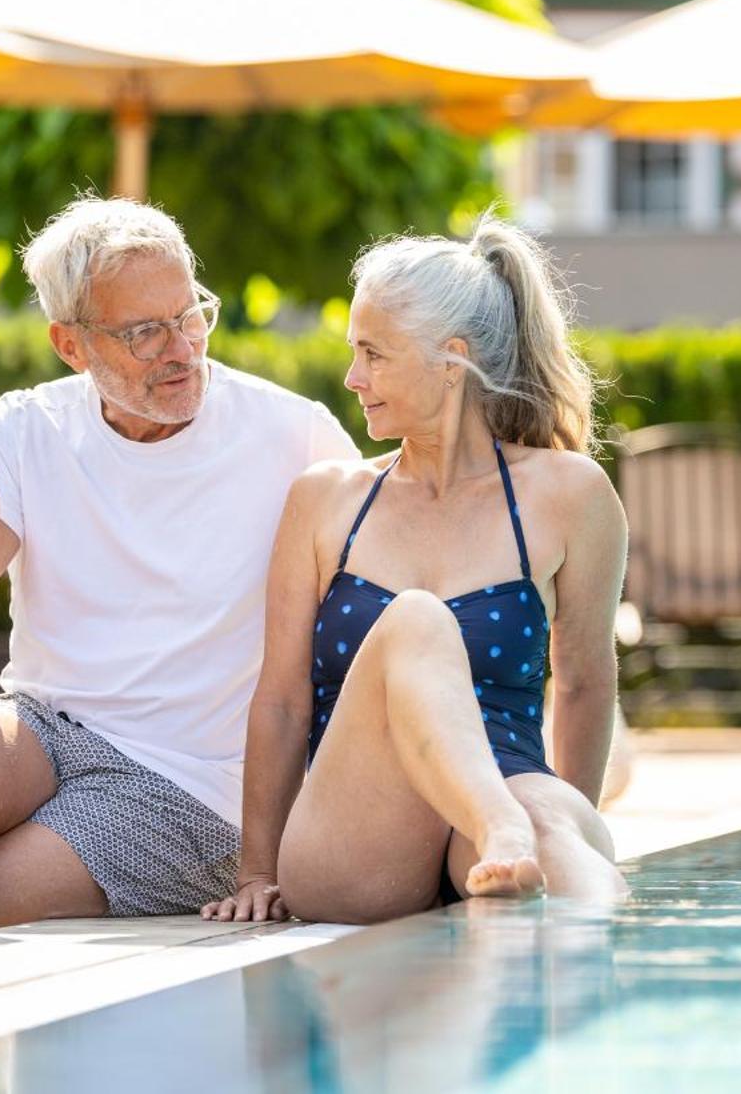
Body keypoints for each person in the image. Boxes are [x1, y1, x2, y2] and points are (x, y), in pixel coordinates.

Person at [0, 197, 358, 948]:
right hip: (44, 726)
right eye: (143, 332)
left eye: (191, 313)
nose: (181, 347)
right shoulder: (29, 427)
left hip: (191, 785)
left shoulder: (293, 434)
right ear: (71, 345)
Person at [205, 220, 629, 926]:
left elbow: (586, 680)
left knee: (558, 834)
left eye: (373, 353)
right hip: (358, 836)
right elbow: (281, 700)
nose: (353, 377)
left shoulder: (571, 496)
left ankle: (614, 954)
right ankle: (505, 826)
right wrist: (256, 870)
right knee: (417, 618)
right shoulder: (325, 499)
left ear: (450, 361)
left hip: (508, 796)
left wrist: (568, 810)